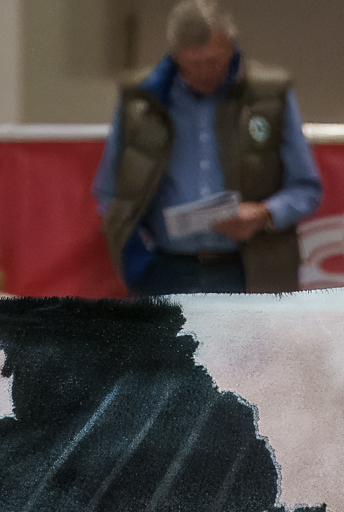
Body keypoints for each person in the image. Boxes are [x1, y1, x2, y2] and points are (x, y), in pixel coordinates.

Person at [92, 0, 321, 296]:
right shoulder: (141, 100)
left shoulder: (269, 96)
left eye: (212, 61)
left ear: (231, 48)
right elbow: (110, 193)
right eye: (192, 63)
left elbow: (306, 188)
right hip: (162, 269)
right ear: (176, 55)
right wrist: (135, 255)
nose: (203, 72)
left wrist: (265, 214)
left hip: (248, 269)